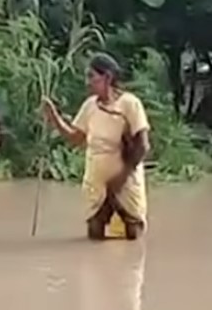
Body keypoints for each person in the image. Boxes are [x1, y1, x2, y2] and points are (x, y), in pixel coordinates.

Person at [43, 53, 151, 240]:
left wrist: (122, 176)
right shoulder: (90, 106)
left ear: (107, 77)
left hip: (125, 179)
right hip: (97, 179)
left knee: (132, 231)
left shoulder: (129, 104)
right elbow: (76, 138)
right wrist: (54, 118)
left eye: (92, 76)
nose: (88, 82)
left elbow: (143, 146)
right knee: (95, 231)